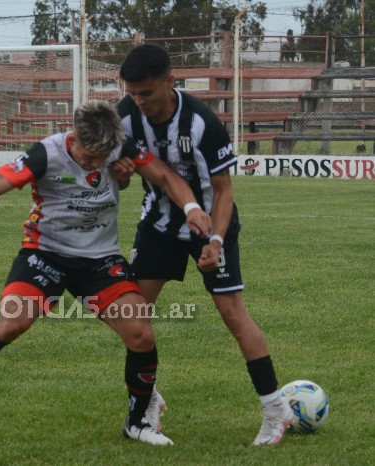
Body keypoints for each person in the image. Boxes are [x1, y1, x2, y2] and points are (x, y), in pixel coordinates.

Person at [0, 100, 212, 446]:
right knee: (12, 323)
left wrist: (191, 207)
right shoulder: (46, 154)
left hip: (99, 260)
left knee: (141, 334)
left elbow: (164, 175)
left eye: (103, 158)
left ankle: (136, 423)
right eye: (89, 157)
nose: (96, 164)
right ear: (73, 138)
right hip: (45, 255)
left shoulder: (119, 147)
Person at [115, 43, 293, 446]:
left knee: (232, 313)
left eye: (146, 92)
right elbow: (121, 180)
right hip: (158, 224)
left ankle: (274, 409)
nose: (139, 101)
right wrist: (121, 173)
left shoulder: (201, 122)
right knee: (132, 316)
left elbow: (224, 190)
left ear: (169, 83)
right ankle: (146, 401)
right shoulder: (124, 119)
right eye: (132, 93)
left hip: (212, 224)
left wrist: (214, 241)